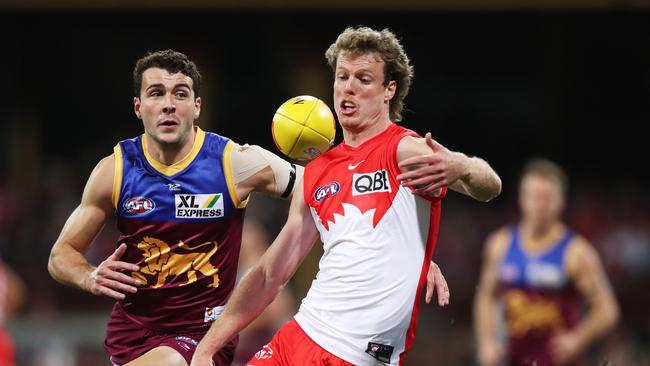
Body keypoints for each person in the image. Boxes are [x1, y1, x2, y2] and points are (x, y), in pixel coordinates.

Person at [47, 49, 448, 366]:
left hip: (202, 338)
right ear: (139, 107)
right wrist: (90, 276)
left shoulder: (234, 162)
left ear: (197, 106)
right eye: (156, 94)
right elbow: (61, 255)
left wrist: (397, 246)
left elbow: (325, 189)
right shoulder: (113, 171)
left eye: (180, 94)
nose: (168, 105)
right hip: (130, 338)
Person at [191, 26, 502, 366]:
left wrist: (462, 165)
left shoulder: (403, 150)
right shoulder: (317, 171)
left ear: (389, 90)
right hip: (301, 332)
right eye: (342, 77)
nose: (348, 88)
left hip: (354, 353)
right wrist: (208, 347)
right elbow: (269, 274)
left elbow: (489, 186)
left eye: (364, 79)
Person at [474, 158, 619, 366]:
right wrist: (487, 342)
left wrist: (577, 339)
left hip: (559, 361)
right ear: (521, 199)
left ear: (561, 201)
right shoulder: (500, 244)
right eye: (534, 197)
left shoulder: (577, 253)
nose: (540, 205)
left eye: (547, 198)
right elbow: (486, 296)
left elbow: (607, 310)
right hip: (513, 359)